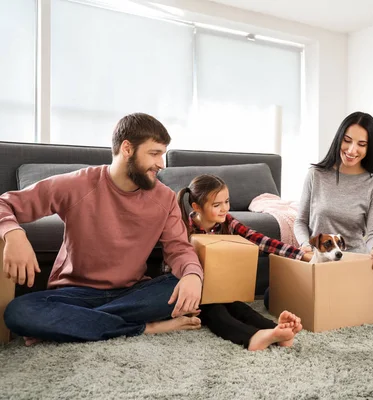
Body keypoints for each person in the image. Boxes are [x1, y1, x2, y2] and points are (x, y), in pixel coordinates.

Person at [1, 113, 204, 345]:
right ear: (127, 148)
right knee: (19, 311)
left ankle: (72, 325)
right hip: (73, 294)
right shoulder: (76, 184)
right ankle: (144, 328)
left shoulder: (164, 198)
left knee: (183, 285)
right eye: (154, 153)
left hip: (132, 292)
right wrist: (14, 233)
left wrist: (192, 275)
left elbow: (179, 248)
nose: (161, 164)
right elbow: (4, 203)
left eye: (163, 154)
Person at [176, 174, 310, 350]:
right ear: (197, 207)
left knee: (240, 307)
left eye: (227, 201)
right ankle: (252, 338)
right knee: (217, 313)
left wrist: (299, 254)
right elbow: (173, 264)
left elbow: (258, 239)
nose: (225, 208)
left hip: (220, 288)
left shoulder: (227, 222)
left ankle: (276, 330)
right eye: (217, 205)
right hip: (196, 293)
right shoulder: (184, 227)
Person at [292, 111, 373, 313]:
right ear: (339, 138)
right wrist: (305, 245)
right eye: (347, 140)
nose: (352, 150)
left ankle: (331, 301)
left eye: (361, 144)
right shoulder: (316, 175)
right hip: (318, 262)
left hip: (352, 262)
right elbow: (300, 221)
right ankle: (334, 301)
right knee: (272, 296)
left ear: (370, 147)